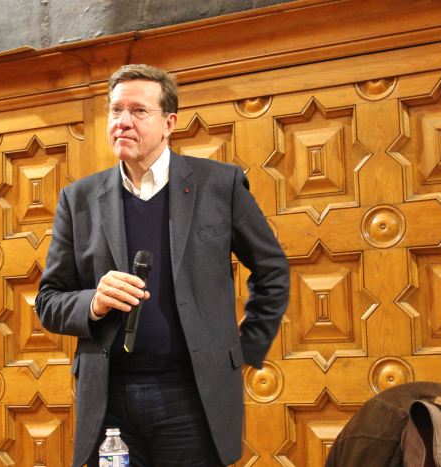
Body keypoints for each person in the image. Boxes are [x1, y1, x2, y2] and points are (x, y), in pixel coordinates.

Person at [35, 64, 289, 467]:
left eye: (138, 111)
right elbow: (48, 302)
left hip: (191, 398)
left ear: (169, 123)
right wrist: (93, 303)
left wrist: (243, 350)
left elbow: (271, 269)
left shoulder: (219, 185)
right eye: (116, 110)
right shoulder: (78, 199)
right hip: (109, 401)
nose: (123, 121)